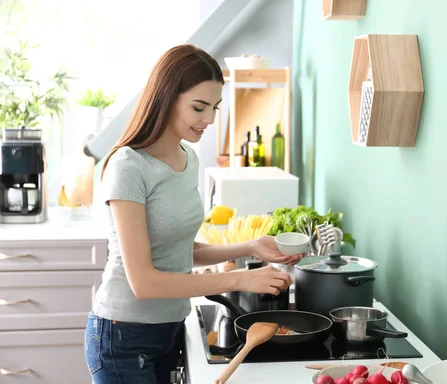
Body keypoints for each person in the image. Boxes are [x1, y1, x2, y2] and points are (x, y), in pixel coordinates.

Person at [84, 44, 299, 384]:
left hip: (171, 329)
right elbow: (144, 282)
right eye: (199, 107)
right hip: (122, 337)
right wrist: (239, 279)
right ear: (166, 98)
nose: (210, 119)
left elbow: (181, 249)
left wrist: (249, 247)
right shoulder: (128, 166)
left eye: (215, 107)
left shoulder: (188, 158)